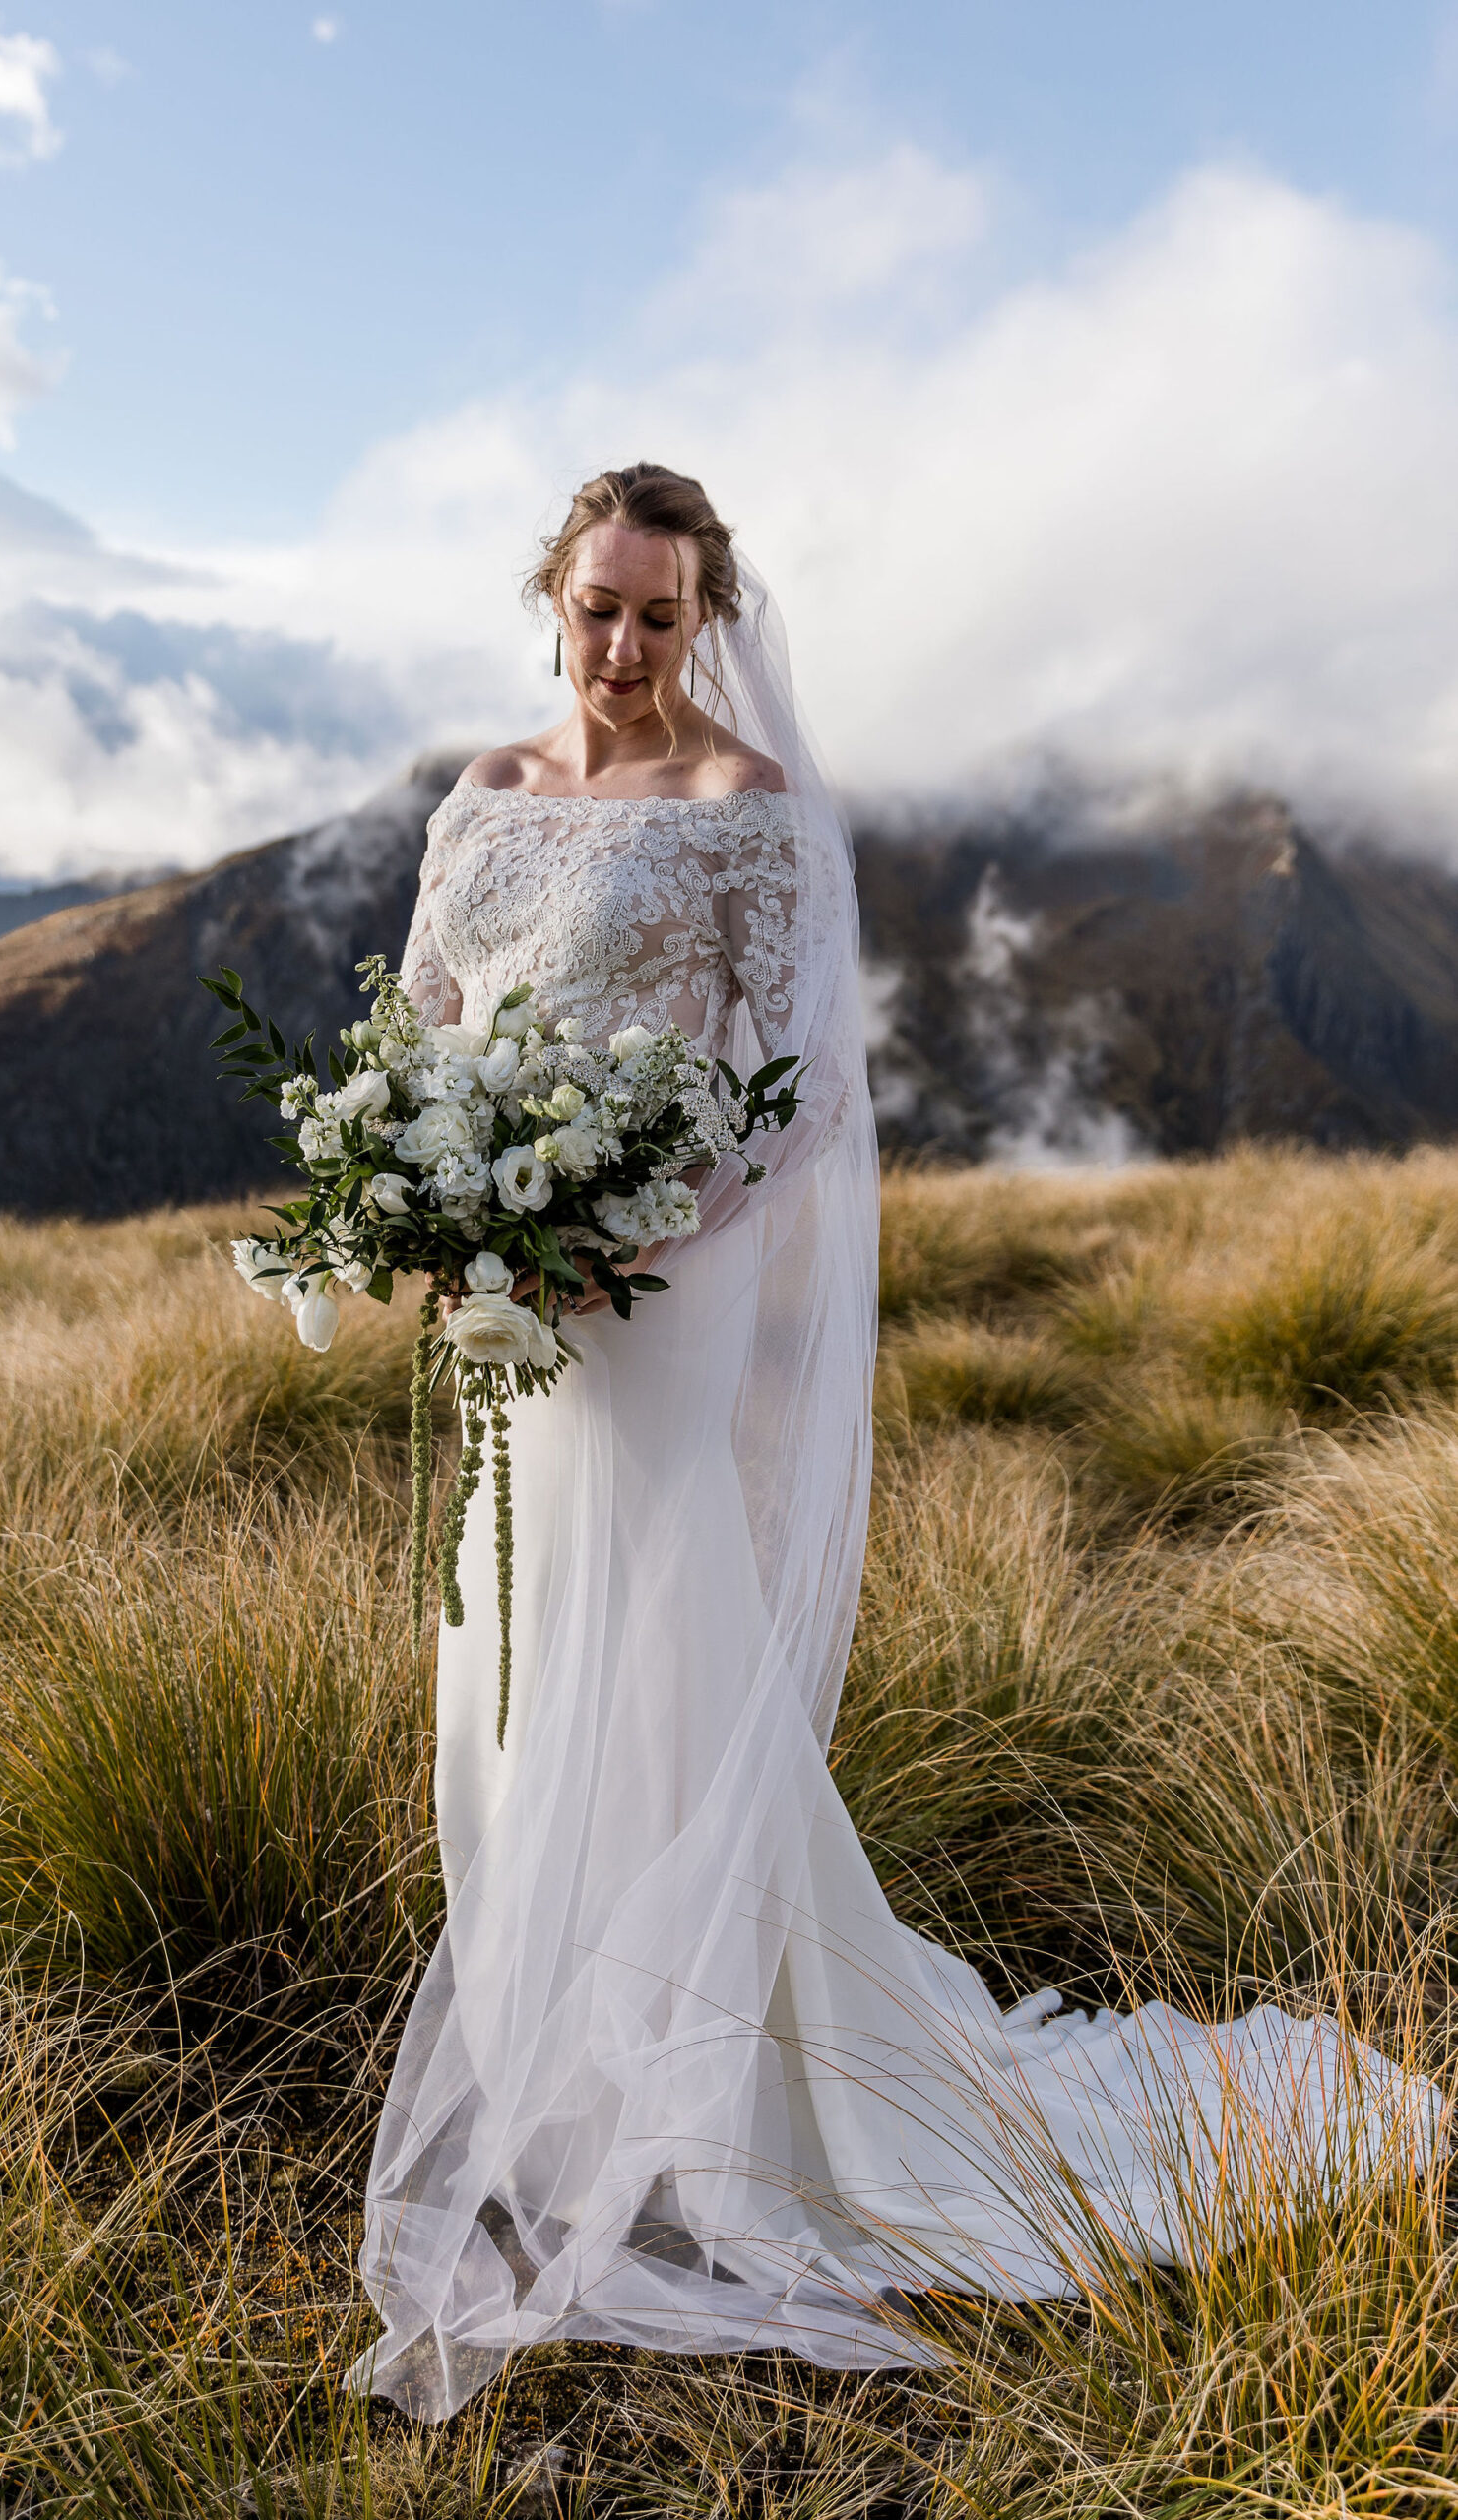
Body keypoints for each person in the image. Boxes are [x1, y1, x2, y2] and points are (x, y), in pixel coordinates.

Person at [351, 462, 1438, 2423]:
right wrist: (435, 1196)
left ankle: (707, 2071)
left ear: (706, 622)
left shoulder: (745, 812)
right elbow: (428, 1025)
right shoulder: (482, 794)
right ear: (550, 599)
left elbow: (789, 1092)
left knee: (656, 1657)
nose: (618, 646)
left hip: (645, 1305)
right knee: (509, 1669)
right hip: (507, 1311)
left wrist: (624, 1230)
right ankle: (566, 2047)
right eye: (594, 607)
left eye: (655, 616)